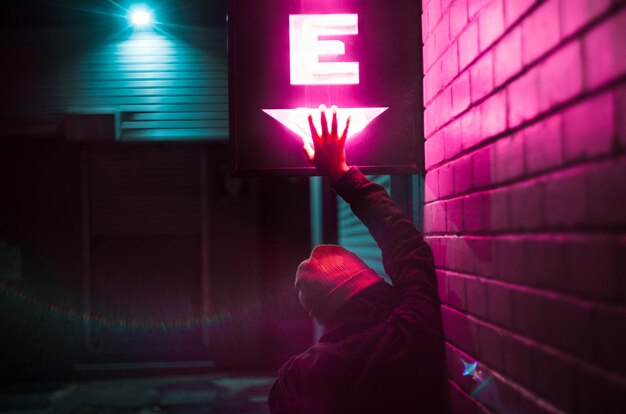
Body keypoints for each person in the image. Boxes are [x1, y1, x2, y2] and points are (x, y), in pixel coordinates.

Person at [268, 105, 446, 413]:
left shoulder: (298, 378)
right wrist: (342, 174)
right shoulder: (407, 333)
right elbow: (406, 249)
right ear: (371, 290)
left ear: (323, 315)